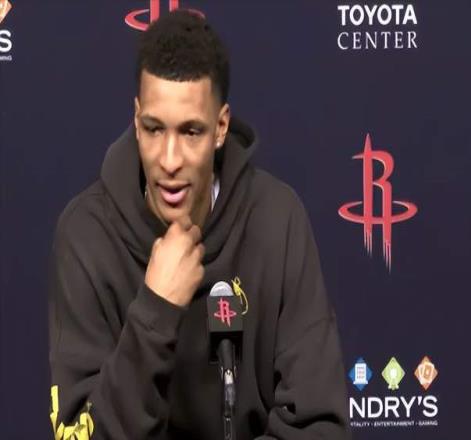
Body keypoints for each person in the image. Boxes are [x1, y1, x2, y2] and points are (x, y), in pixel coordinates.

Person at [48, 10, 351, 440]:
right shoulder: (85, 235)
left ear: (221, 127)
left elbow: (320, 424)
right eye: (154, 129)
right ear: (136, 121)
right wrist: (155, 311)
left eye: (191, 132)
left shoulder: (276, 218)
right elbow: (80, 433)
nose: (170, 161)